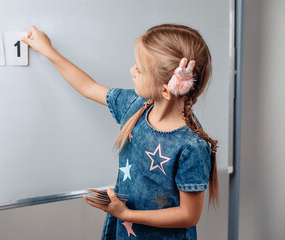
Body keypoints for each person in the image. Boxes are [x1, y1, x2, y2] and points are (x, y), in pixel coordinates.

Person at [21, 24, 219, 240]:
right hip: (125, 232)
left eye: (139, 69)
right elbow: (88, 87)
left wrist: (127, 214)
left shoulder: (192, 146)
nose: (131, 71)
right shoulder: (136, 105)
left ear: (165, 89)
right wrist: (47, 50)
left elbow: (189, 215)